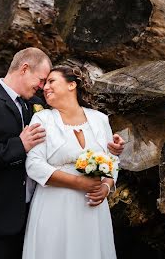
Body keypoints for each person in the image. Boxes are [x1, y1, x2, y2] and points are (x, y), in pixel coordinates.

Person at [0, 48, 124, 259]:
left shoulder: (36, 106)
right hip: (0, 210)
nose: (42, 87)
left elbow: (100, 150)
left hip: (34, 208)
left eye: (48, 81)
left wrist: (111, 157)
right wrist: (18, 145)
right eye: (41, 80)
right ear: (24, 69)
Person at [22, 64, 119, 259]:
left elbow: (112, 160)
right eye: (44, 83)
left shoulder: (100, 119)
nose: (45, 87)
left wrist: (106, 187)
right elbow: (33, 164)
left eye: (51, 81)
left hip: (92, 209)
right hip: (54, 205)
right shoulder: (42, 119)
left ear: (71, 85)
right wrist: (78, 182)